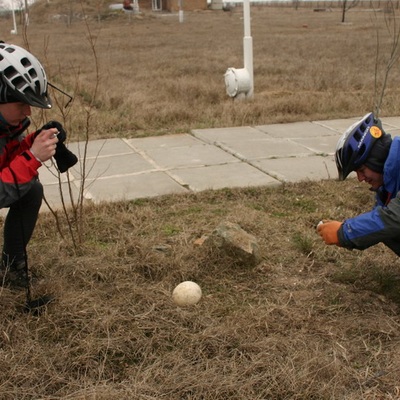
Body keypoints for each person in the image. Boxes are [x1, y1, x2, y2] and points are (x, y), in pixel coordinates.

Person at [0, 42, 60, 289]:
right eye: (21, 103)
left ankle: (11, 268)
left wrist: (29, 144)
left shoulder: (6, 125)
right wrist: (32, 158)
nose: (28, 111)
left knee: (31, 190)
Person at [317, 111, 400, 255]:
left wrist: (345, 231)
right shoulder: (389, 187)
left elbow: (393, 218)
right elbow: (378, 221)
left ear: (377, 159)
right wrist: (343, 229)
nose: (360, 178)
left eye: (361, 169)